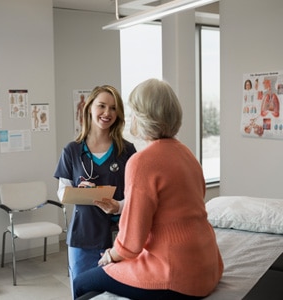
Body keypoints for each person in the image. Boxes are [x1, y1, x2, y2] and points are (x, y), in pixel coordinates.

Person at [73, 79, 224, 300]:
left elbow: (131, 243)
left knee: (82, 282)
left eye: (133, 112)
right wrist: (122, 207)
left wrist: (111, 255)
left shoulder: (141, 161)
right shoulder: (187, 154)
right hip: (208, 267)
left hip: (176, 275)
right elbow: (176, 204)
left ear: (143, 118)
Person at [54, 85, 137, 298]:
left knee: (117, 295)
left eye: (113, 108)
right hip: (83, 237)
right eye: (102, 106)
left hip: (120, 239)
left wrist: (118, 204)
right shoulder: (72, 150)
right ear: (89, 108)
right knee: (84, 293)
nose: (107, 113)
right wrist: (78, 191)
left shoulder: (127, 151)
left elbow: (136, 196)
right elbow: (62, 192)